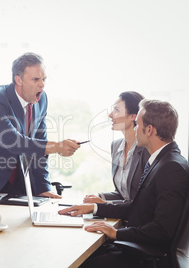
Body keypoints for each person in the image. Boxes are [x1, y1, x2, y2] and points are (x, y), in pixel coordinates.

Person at [59, 99, 189, 267]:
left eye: (138, 125)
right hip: (137, 247)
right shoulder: (162, 160)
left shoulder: (171, 167)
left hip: (143, 255)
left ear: (149, 130)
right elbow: (138, 206)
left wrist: (117, 233)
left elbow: (162, 229)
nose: (135, 129)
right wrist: (95, 207)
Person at [0, 52, 80, 198]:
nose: (42, 85)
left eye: (44, 79)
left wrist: (42, 187)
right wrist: (57, 147)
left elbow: (39, 145)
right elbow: (12, 141)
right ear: (18, 80)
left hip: (16, 185)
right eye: (35, 79)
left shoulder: (41, 99)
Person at [84, 91, 150, 204]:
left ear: (133, 116)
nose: (110, 115)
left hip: (139, 218)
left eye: (117, 110)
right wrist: (99, 196)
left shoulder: (147, 149)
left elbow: (142, 200)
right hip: (121, 216)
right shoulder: (116, 146)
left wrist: (103, 205)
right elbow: (123, 194)